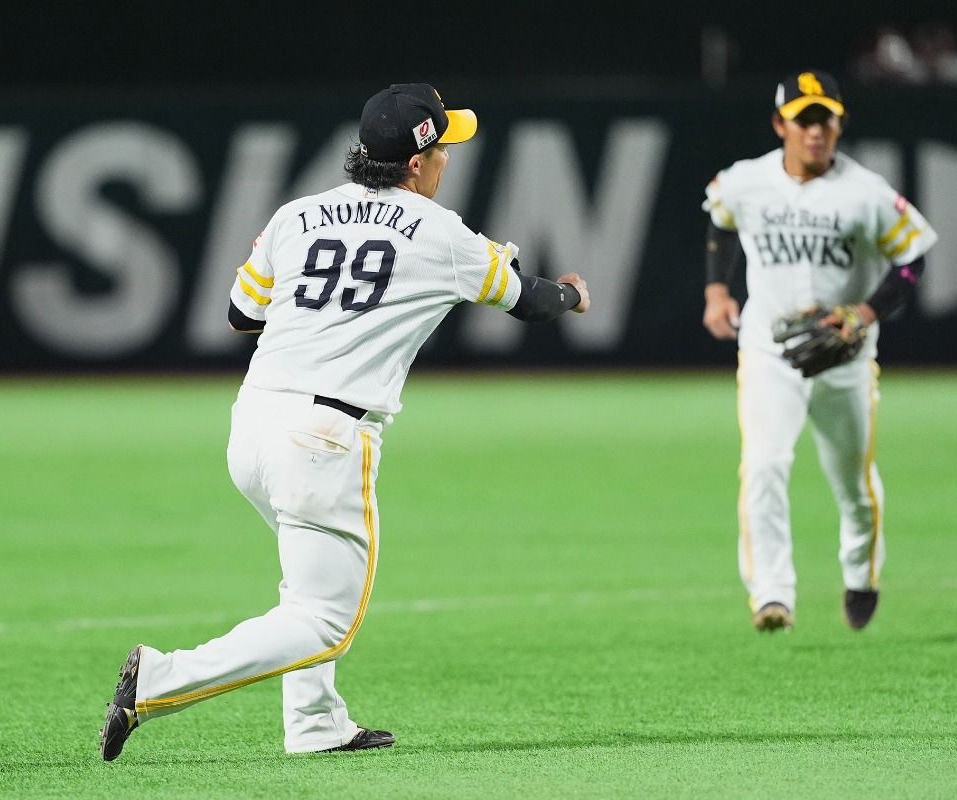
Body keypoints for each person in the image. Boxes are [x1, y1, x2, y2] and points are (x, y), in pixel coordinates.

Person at [100, 83, 590, 760]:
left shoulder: (296, 215)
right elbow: (527, 301)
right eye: (442, 147)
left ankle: (314, 722)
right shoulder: (439, 233)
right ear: (415, 163)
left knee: (305, 585)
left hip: (252, 423)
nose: (447, 157)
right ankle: (159, 680)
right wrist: (571, 293)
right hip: (322, 439)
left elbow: (241, 315)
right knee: (326, 620)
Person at [701, 70, 937, 634]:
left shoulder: (867, 192)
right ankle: (772, 594)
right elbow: (721, 220)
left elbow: (913, 258)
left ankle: (861, 575)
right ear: (779, 124)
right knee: (763, 465)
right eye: (803, 119)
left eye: (824, 120)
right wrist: (715, 289)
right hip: (769, 351)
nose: (815, 131)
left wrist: (865, 313)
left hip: (845, 359)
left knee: (854, 487)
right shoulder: (746, 181)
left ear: (839, 124)